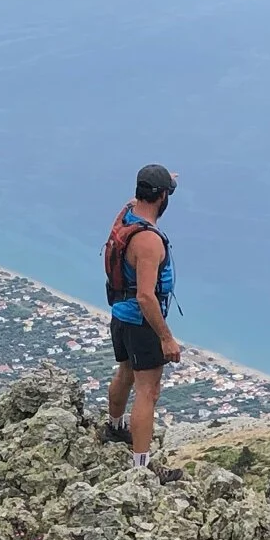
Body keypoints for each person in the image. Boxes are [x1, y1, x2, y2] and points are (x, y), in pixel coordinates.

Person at [103, 163, 181, 470]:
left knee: (125, 372)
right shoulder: (149, 241)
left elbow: (135, 199)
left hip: (120, 316)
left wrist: (158, 182)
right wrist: (167, 337)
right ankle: (141, 467)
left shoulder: (125, 217)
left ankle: (114, 426)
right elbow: (146, 296)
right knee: (148, 391)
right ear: (162, 197)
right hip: (141, 321)